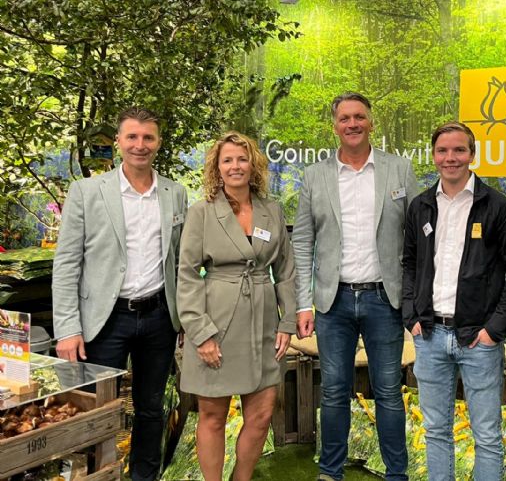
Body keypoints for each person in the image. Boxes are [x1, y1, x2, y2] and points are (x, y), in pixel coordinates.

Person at [52, 107, 187, 481]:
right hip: (104, 319)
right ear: (118, 141)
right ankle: (98, 475)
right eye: (132, 137)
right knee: (97, 411)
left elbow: (179, 261)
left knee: (151, 408)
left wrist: (183, 317)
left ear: (158, 142)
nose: (140, 145)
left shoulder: (175, 194)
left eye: (148, 137)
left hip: (159, 317)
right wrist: (67, 328)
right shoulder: (87, 192)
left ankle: (144, 476)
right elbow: (67, 263)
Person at [293, 92, 419, 481]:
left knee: (388, 391)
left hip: (385, 299)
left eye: (359, 117)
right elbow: (303, 242)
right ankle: (330, 472)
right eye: (345, 118)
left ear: (371, 122)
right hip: (334, 302)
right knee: (333, 391)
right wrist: (303, 303)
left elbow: (417, 237)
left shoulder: (399, 170)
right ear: (335, 126)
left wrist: (413, 297)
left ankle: (397, 474)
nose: (352, 124)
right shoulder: (315, 176)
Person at [402, 121, 506, 481]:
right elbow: (409, 263)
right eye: (442, 150)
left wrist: (494, 329)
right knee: (436, 430)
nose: (450, 157)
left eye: (459, 150)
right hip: (430, 335)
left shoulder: (497, 207)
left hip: (478, 339)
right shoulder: (420, 206)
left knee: (486, 435)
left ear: (472, 154)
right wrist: (411, 315)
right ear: (433, 155)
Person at [177, 131, 296, 481]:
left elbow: (286, 270)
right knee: (213, 416)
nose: (235, 166)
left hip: (263, 322)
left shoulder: (271, 210)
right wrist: (200, 332)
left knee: (261, 416)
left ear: (253, 165)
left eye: (242, 159)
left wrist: (287, 321)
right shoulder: (201, 213)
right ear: (217, 167)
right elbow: (187, 274)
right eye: (227, 160)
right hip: (216, 322)